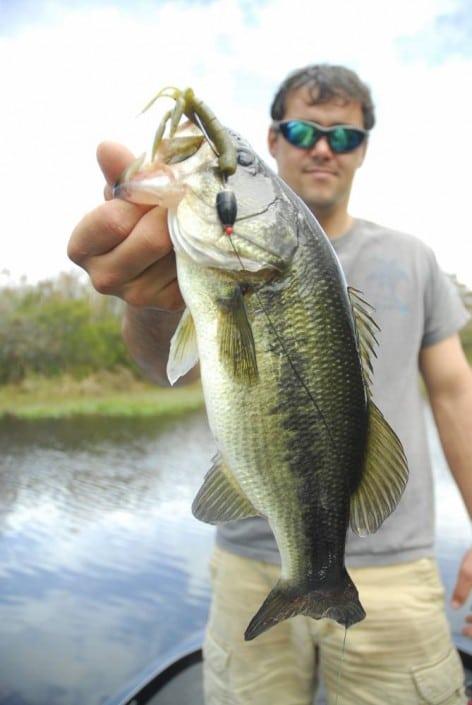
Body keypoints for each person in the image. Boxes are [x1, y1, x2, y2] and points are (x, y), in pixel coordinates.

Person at [68, 64, 472, 704]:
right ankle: (307, 573)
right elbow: (163, 370)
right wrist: (150, 298)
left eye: (344, 136)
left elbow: (455, 393)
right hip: (245, 566)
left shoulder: (415, 258)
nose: (322, 147)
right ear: (274, 138)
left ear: (364, 148)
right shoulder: (202, 251)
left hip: (397, 569)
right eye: (303, 129)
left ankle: (320, 574)